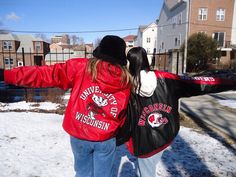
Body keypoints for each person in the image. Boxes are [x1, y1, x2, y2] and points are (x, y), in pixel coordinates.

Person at [0, 35, 131, 177]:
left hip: (80, 133)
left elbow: (45, 74)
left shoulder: (82, 67)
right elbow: (124, 111)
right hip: (106, 138)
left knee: (82, 174)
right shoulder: (126, 80)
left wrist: (7, 74)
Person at [116, 46, 236, 177]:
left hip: (143, 141)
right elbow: (200, 83)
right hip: (164, 134)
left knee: (145, 172)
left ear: (130, 63)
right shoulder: (167, 79)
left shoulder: (126, 84)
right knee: (146, 170)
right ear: (146, 60)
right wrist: (230, 82)